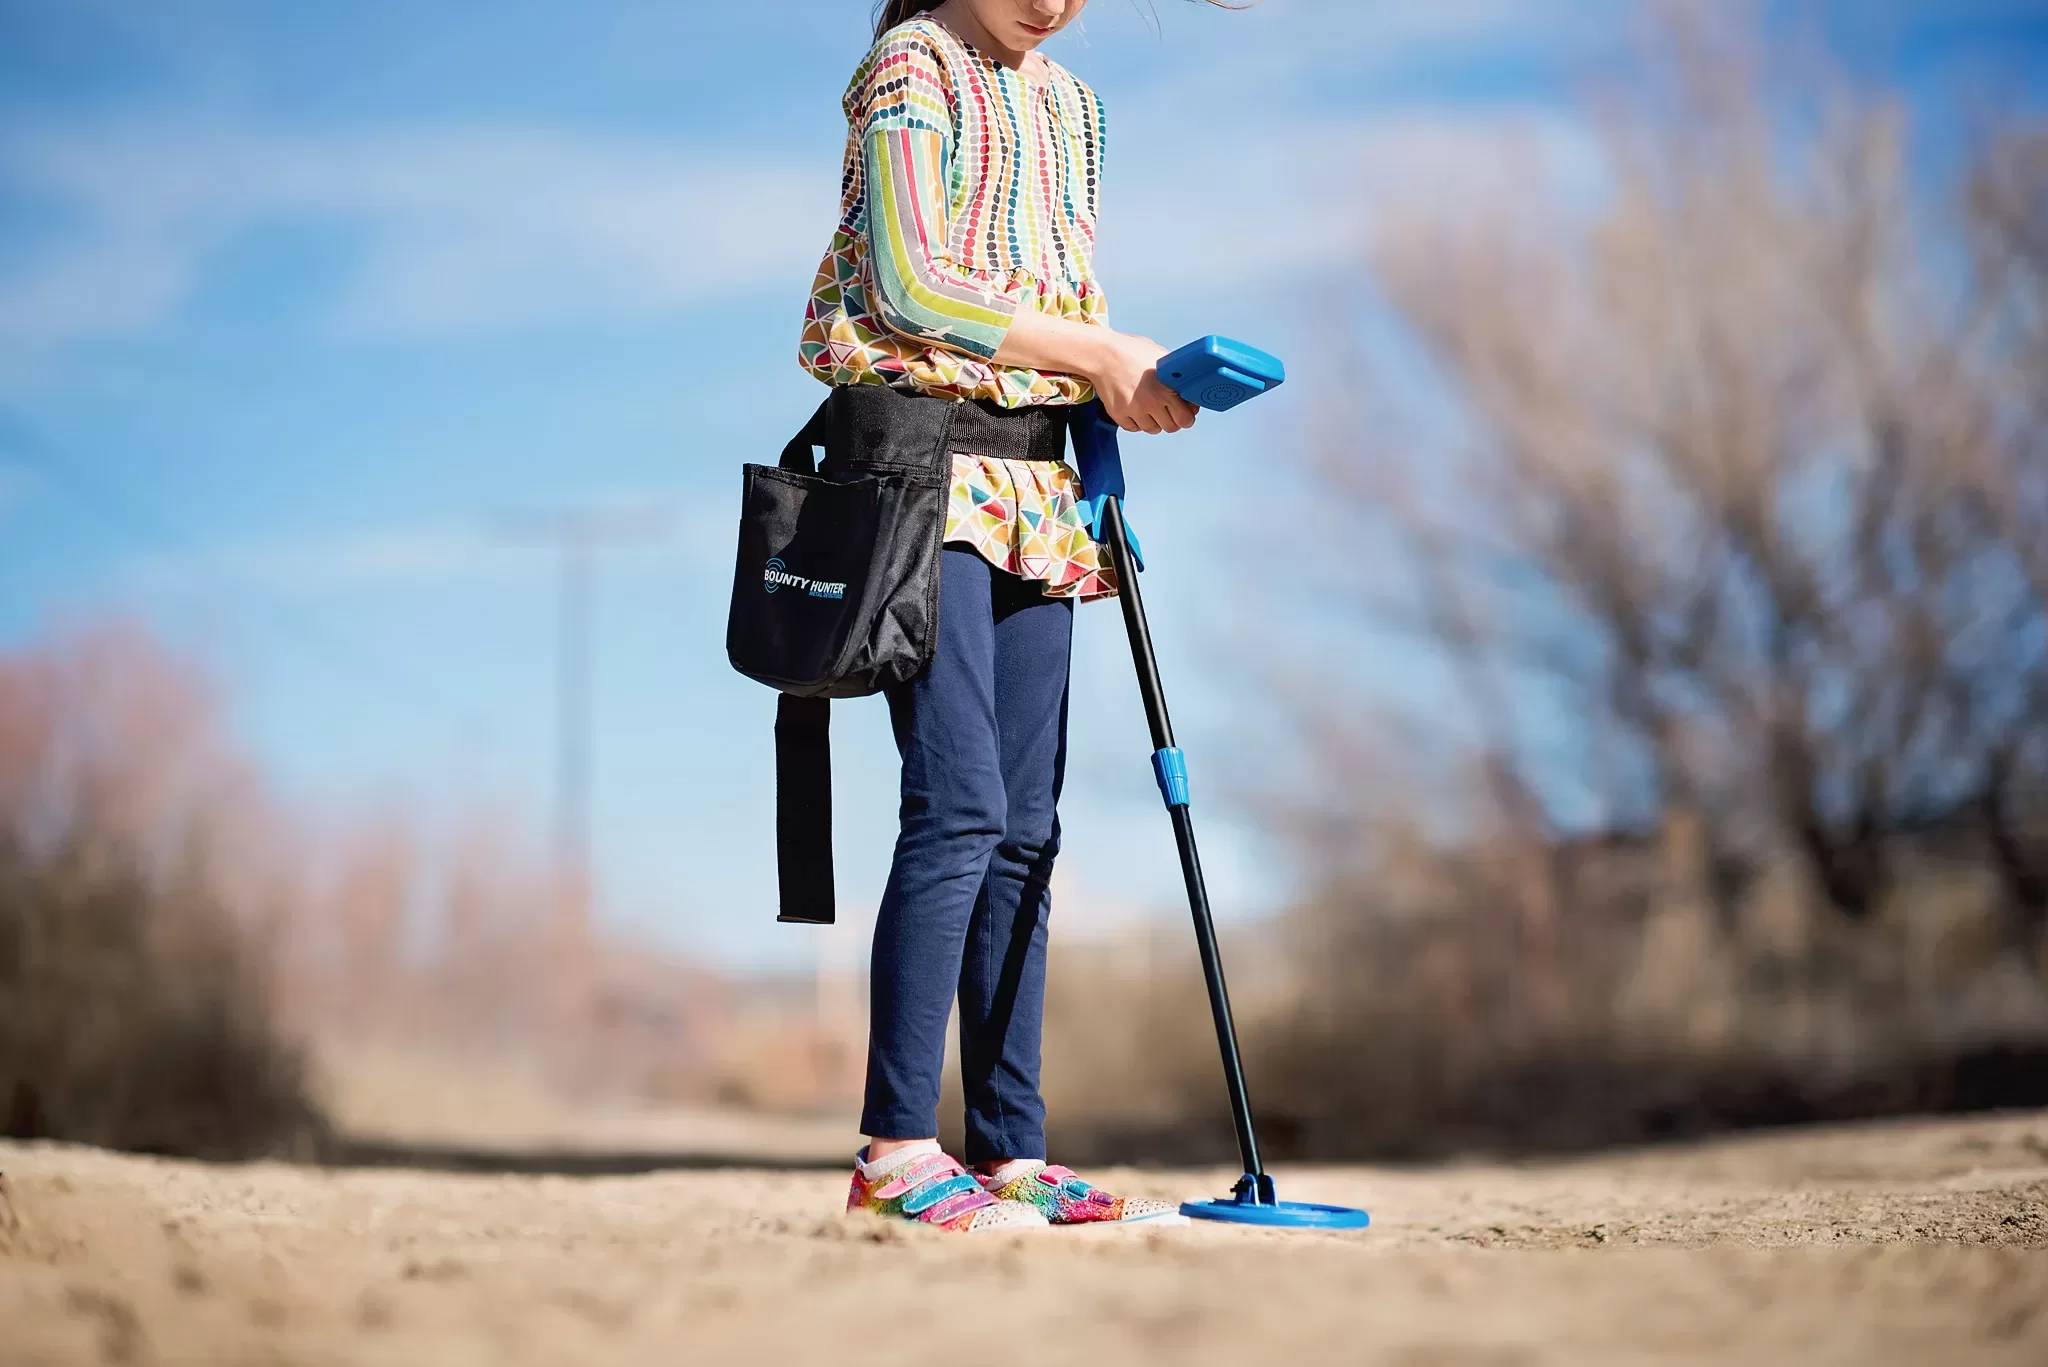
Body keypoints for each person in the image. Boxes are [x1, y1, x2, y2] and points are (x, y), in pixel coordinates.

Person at [798, 0, 1205, 1231]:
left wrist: (1115, 413)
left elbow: (1065, 289)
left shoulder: (1072, 108)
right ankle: (893, 1146)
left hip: (1041, 485)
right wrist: (1095, 351)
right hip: (920, 474)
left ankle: (1012, 1150)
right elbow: (913, 286)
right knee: (959, 800)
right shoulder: (908, 67)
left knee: (1028, 824)